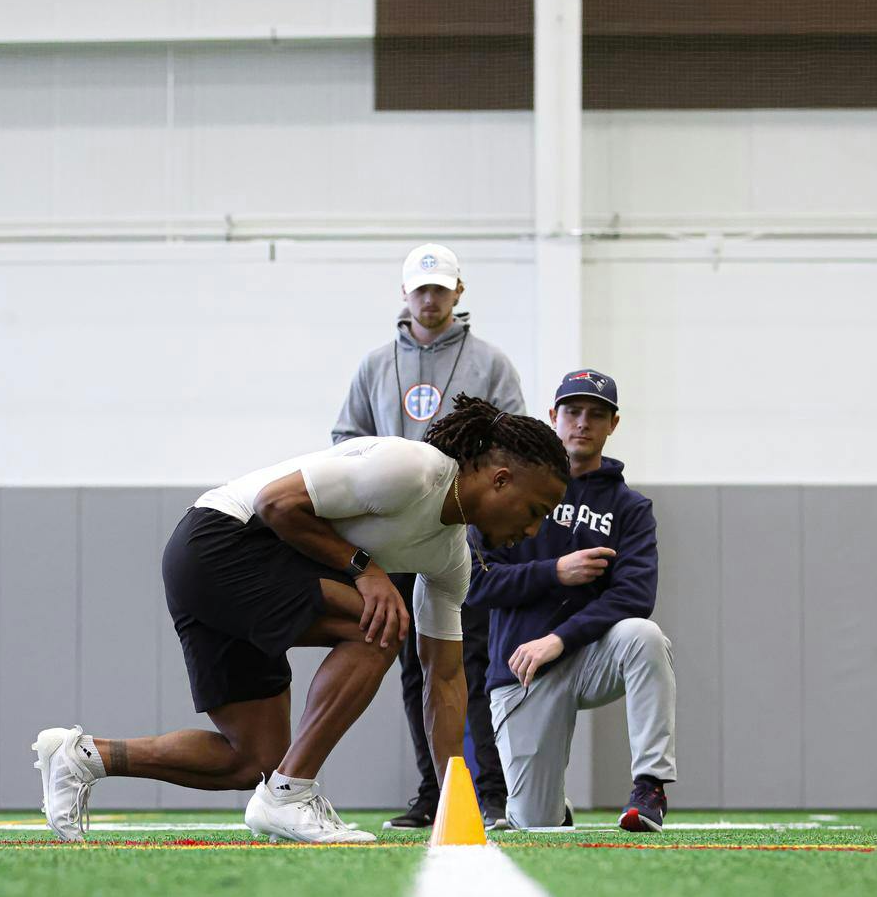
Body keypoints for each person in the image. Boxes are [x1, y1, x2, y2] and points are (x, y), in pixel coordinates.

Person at [33, 395, 569, 845]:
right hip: (220, 542)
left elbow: (445, 678)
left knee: (252, 761)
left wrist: (456, 793)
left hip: (234, 572)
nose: (534, 529)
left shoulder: (450, 559)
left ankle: (83, 756)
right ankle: (291, 793)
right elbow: (275, 503)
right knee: (379, 622)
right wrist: (368, 571)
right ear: (500, 480)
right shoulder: (416, 469)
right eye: (536, 510)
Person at [332, 243, 525, 829]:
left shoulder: (490, 362)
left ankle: (488, 791)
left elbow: (515, 441)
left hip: (462, 535)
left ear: (458, 292)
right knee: (411, 666)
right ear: (404, 294)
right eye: (421, 289)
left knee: (470, 660)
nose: (431, 298)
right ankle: (433, 790)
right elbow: (346, 439)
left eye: (441, 288)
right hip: (391, 539)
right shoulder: (373, 365)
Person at [468, 370, 677, 833]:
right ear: (552, 417)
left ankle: (650, 783)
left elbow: (636, 596)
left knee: (644, 636)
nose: (583, 422)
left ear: (613, 425)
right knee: (534, 824)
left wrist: (559, 640)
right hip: (522, 666)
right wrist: (555, 571)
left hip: (589, 655)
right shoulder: (510, 488)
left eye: (596, 414)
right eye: (573, 411)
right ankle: (550, 804)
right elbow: (474, 584)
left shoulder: (629, 508)